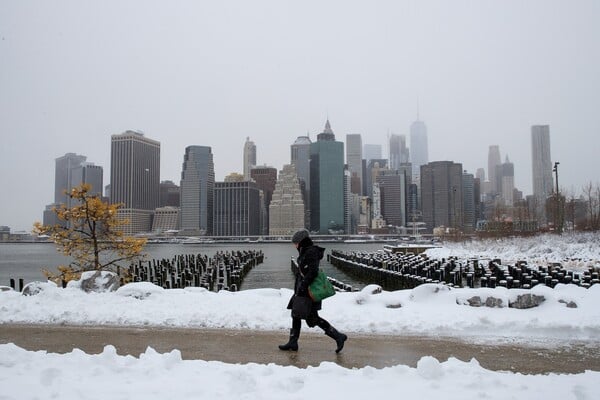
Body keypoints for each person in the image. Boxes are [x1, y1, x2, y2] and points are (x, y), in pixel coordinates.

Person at [279, 229, 347, 353]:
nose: (294, 245)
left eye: (295, 243)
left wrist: (303, 285)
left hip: (307, 291)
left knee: (313, 318)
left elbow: (313, 272)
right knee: (295, 314)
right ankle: (293, 342)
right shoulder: (305, 251)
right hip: (301, 290)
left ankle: (338, 336)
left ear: (301, 242)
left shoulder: (311, 252)